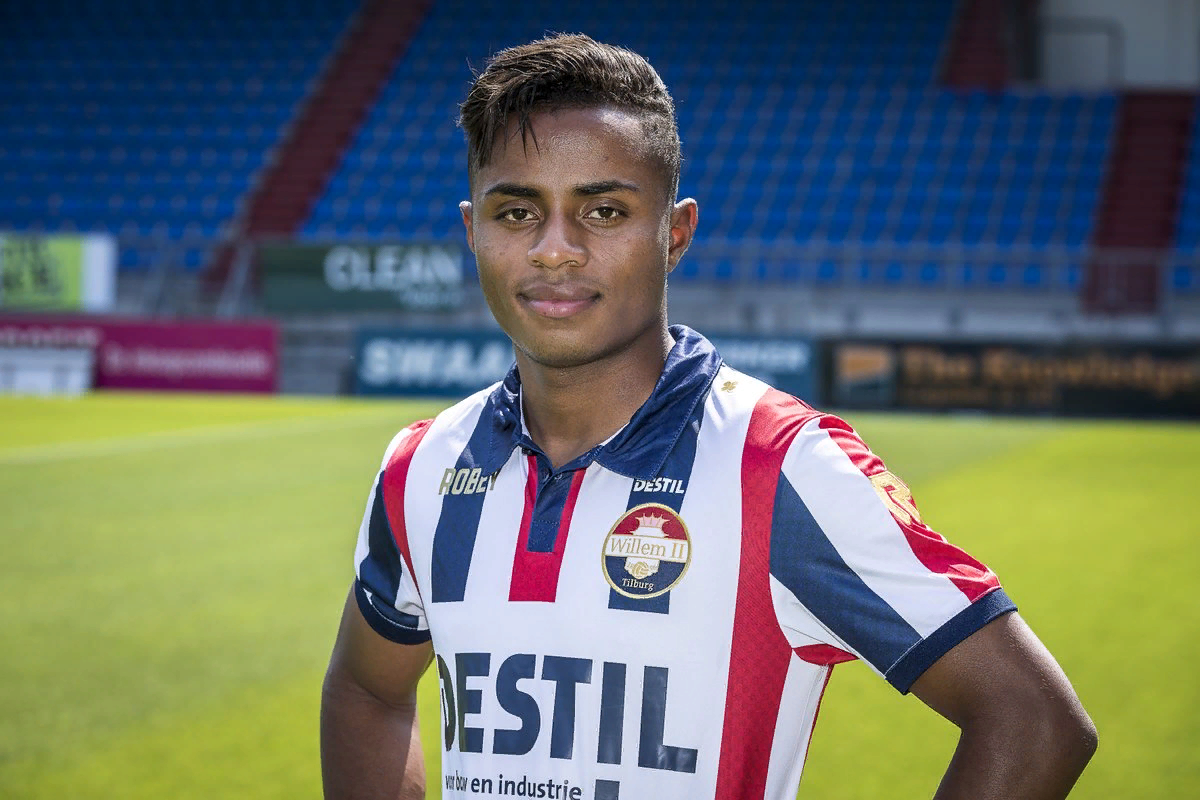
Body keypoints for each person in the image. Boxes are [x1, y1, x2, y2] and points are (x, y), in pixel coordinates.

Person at [320, 34, 1096, 800]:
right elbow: (366, 689)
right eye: (517, 212)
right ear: (473, 231)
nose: (556, 250)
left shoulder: (780, 465)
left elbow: (1033, 721)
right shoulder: (422, 468)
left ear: (675, 233)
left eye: (604, 211)